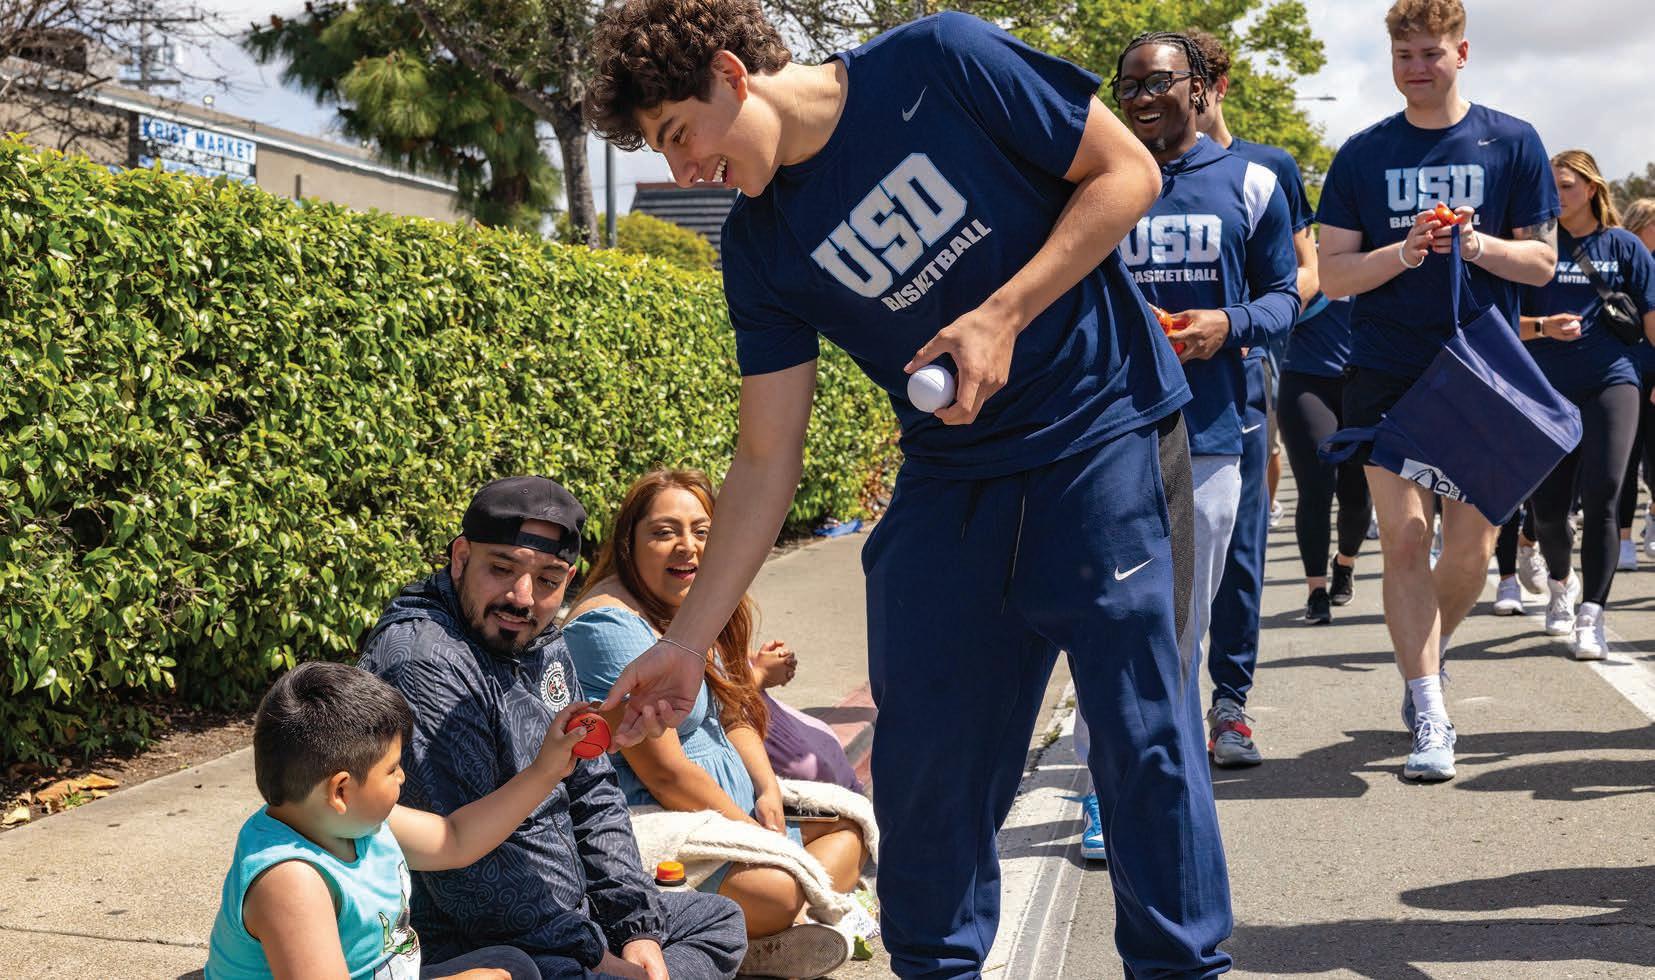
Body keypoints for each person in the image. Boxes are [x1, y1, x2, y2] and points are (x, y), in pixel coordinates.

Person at [583, 4, 1234, 977]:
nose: (682, 170)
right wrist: (682, 647)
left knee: (1142, 739)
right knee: (926, 767)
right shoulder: (758, 246)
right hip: (952, 479)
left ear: (730, 72)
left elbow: (1126, 173)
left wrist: (1003, 312)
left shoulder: (938, 60)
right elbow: (764, 458)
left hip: (1102, 435)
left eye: (679, 133)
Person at [356, 476, 747, 980]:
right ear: (460, 558)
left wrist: (635, 927)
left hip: (574, 915)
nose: (522, 597)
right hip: (479, 941)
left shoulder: (538, 636)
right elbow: (468, 878)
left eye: (548, 579)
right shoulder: (425, 664)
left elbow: (593, 788)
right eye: (502, 569)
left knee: (719, 921)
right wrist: (595, 955)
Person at [1316, 0, 1560, 782]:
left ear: (1461, 53)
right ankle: (1428, 707)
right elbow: (1333, 275)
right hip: (1385, 368)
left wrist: (1473, 242)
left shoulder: (1511, 141)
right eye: (1403, 56)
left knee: (1471, 550)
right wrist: (1405, 250)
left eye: (1429, 53)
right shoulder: (1362, 154)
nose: (1415, 68)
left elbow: (1542, 263)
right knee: (1402, 536)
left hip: (1479, 370)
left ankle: (1428, 649)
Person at [562, 469, 869, 977]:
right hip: (665, 821)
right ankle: (760, 935)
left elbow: (735, 710)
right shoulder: (609, 626)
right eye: (664, 532)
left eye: (702, 531)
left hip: (729, 810)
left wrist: (766, 791)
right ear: (628, 543)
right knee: (781, 890)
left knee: (851, 829)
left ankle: (765, 937)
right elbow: (666, 775)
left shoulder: (691, 607)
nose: (687, 546)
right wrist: (764, 843)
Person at [1115, 31, 1298, 769]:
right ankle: (1117, 768)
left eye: (1157, 81)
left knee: (1191, 607)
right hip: (1111, 428)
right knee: (1118, 608)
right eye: (1128, 86)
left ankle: (1191, 734)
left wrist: (1228, 324)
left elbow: (1285, 297)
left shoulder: (1251, 183)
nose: (1142, 97)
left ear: (1198, 88)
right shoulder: (1098, 179)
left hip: (1212, 426)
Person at [206, 660, 583, 979]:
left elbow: (454, 839)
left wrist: (544, 772)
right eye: (392, 768)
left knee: (513, 965)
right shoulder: (291, 882)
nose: (402, 776)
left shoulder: (346, 821)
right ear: (341, 791)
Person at [1186, 28, 1317, 758]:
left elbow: (1305, 272)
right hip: (1147, 391)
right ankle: (1148, 709)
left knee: (1238, 548)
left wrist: (1240, 322)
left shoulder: (1266, 170)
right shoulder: (1133, 169)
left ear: (1217, 87)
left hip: (1241, 374)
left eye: (1192, 84)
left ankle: (1229, 705)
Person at [1517, 150, 1655, 658]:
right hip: (1545, 389)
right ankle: (1561, 582)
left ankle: (1592, 614)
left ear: (1592, 188)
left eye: (1566, 185)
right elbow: (1503, 323)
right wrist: (1543, 327)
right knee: (1549, 511)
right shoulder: (1531, 248)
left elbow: (1651, 317)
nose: (1556, 195)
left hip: (1612, 382)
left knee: (1605, 495)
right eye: (1550, 186)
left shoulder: (1624, 246)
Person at [1275, 294, 1371, 624]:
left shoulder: (1376, 266)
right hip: (1305, 379)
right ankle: (1316, 591)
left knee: (1358, 498)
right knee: (1316, 487)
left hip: (1362, 382)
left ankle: (1344, 562)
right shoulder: (1305, 270)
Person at [748, 641, 865, 794]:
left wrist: (766, 661)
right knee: (813, 771)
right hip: (738, 713)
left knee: (825, 752)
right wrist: (761, 673)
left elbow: (727, 646)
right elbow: (718, 697)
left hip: (752, 701)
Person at [1616, 198, 1655, 564]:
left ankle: (1652, 515)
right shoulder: (1620, 262)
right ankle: (1624, 538)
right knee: (1625, 462)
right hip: (1623, 373)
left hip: (1654, 372)